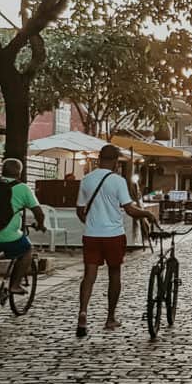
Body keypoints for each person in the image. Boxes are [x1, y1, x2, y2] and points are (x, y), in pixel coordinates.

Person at [75, 143, 159, 336]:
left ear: (99, 159)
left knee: (89, 276)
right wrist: (147, 213)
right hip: (113, 235)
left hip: (91, 235)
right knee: (114, 274)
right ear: (115, 162)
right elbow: (129, 209)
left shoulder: (86, 180)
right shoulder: (118, 181)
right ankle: (110, 317)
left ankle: (83, 312)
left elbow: (79, 210)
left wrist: (91, 223)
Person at [0, 157, 44, 297]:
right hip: (8, 238)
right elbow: (38, 212)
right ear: (19, 173)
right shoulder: (23, 188)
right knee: (27, 250)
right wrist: (40, 225)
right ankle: (15, 285)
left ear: (2, 170)